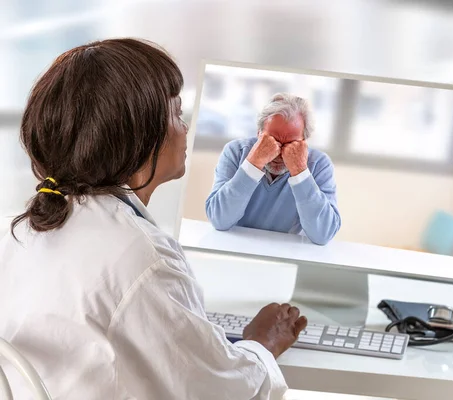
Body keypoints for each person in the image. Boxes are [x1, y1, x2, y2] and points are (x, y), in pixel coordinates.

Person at [0, 38, 307, 400]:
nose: (185, 128)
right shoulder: (141, 259)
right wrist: (260, 345)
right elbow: (223, 393)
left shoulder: (15, 231)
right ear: (140, 135)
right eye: (176, 114)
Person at [205, 93, 341, 245]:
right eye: (272, 140)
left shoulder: (319, 164)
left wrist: (300, 171)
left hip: (286, 254)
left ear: (304, 142)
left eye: (291, 144)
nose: (279, 153)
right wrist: (254, 163)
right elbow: (219, 219)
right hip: (233, 246)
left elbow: (323, 234)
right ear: (259, 133)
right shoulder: (236, 152)